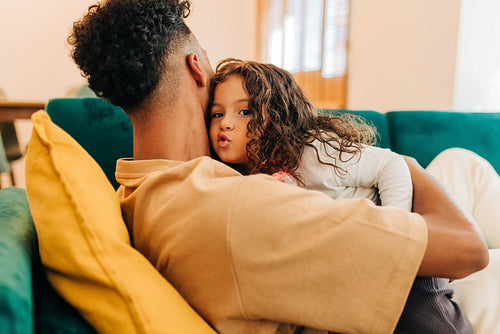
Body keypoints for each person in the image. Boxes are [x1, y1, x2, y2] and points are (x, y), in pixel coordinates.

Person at [68, 1, 488, 333]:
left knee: (460, 165)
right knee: (464, 167)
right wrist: (404, 164)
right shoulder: (240, 207)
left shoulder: (138, 190)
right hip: (447, 287)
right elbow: (468, 249)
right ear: (196, 67)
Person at [207, 58, 475, 333]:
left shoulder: (313, 153)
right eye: (218, 114)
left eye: (245, 112)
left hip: (398, 245)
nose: (226, 123)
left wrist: (396, 226)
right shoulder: (246, 177)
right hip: (357, 265)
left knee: (431, 323)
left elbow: (390, 164)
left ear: (277, 115)